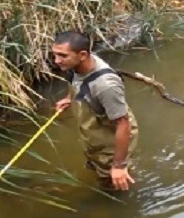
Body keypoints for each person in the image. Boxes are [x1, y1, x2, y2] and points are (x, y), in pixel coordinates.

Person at [52, 30, 139, 191]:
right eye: (55, 54)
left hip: (111, 143)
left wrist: (119, 165)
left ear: (82, 55)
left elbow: (123, 124)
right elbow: (78, 81)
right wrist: (69, 98)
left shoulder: (105, 86)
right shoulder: (75, 65)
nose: (56, 61)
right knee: (99, 172)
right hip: (94, 136)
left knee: (112, 186)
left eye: (62, 56)